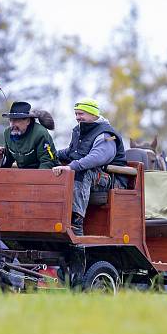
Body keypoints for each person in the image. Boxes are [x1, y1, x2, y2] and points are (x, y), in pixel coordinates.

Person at [53, 98, 128, 235]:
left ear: (93, 114)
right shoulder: (79, 131)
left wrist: (72, 166)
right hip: (94, 176)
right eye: (76, 114)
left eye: (81, 114)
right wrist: (50, 155)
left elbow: (99, 156)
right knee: (53, 168)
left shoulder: (108, 135)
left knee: (81, 173)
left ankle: (76, 225)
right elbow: (71, 152)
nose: (77, 117)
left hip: (112, 181)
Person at [0, 101, 58, 169]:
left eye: (17, 120)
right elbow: (8, 162)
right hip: (23, 174)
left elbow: (48, 162)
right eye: (11, 120)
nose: (13, 124)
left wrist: (34, 178)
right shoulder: (7, 133)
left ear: (28, 121)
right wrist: (0, 158)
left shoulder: (40, 133)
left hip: (48, 174)